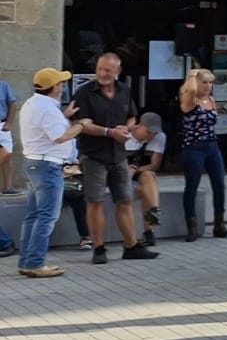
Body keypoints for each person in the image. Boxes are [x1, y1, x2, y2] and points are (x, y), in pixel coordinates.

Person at [66, 52, 155, 262]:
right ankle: (98, 248)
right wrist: (109, 132)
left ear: (117, 71)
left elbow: (133, 116)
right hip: (94, 156)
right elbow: (82, 124)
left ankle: (131, 246)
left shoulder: (124, 90)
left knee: (124, 201)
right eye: (99, 69)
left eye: (107, 70)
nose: (102, 74)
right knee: (95, 202)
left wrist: (127, 128)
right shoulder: (84, 93)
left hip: (119, 156)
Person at [16, 70, 82, 277]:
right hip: (48, 168)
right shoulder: (47, 109)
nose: (62, 87)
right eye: (61, 84)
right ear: (54, 87)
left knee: (34, 215)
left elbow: (46, 129)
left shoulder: (32, 104)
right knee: (46, 216)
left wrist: (65, 117)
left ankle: (26, 261)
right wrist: (81, 125)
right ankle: (35, 264)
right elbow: (60, 137)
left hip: (35, 164)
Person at [176, 69, 227, 242]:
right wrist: (192, 74)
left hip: (212, 146)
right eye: (204, 82)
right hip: (194, 147)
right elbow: (191, 91)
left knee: (219, 184)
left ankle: (219, 223)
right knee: (192, 186)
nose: (208, 86)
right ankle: (191, 226)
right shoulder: (189, 100)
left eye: (210, 82)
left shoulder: (211, 100)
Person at [123, 111, 167, 244]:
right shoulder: (125, 136)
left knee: (149, 176)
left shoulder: (159, 137)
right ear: (140, 126)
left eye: (154, 133)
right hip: (120, 171)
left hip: (140, 171)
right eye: (148, 132)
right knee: (141, 190)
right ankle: (148, 229)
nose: (151, 136)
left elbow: (154, 165)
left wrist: (136, 169)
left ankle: (153, 213)